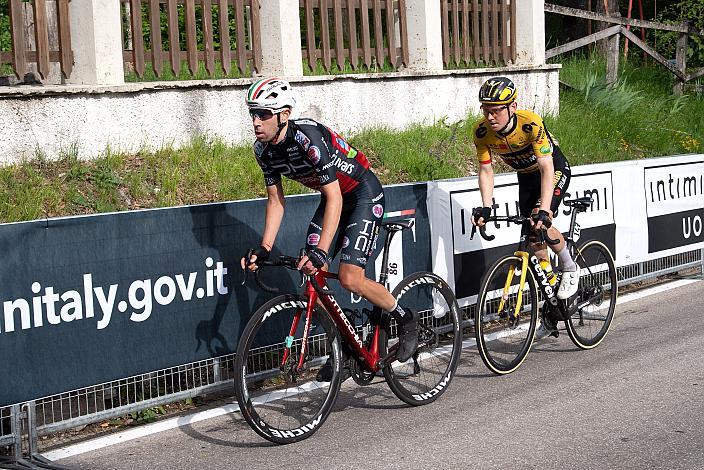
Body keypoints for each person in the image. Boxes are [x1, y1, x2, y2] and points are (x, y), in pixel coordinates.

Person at [240, 77, 418, 377]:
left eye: (264, 114)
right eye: (252, 114)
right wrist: (265, 247)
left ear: (284, 114)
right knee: (312, 270)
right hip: (332, 198)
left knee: (349, 278)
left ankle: (405, 317)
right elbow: (275, 201)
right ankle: (348, 346)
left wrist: (323, 250)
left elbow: (335, 196)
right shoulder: (263, 151)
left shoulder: (307, 138)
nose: (257, 122)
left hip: (362, 193)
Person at [469, 76, 580, 339]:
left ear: (513, 106)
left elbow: (546, 167)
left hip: (552, 170)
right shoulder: (482, 133)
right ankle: (553, 305)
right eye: (486, 110)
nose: (490, 116)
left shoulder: (530, 123)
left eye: (496, 110)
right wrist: (486, 207)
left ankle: (569, 266)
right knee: (534, 239)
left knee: (540, 221)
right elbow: (486, 169)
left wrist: (545, 209)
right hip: (525, 178)